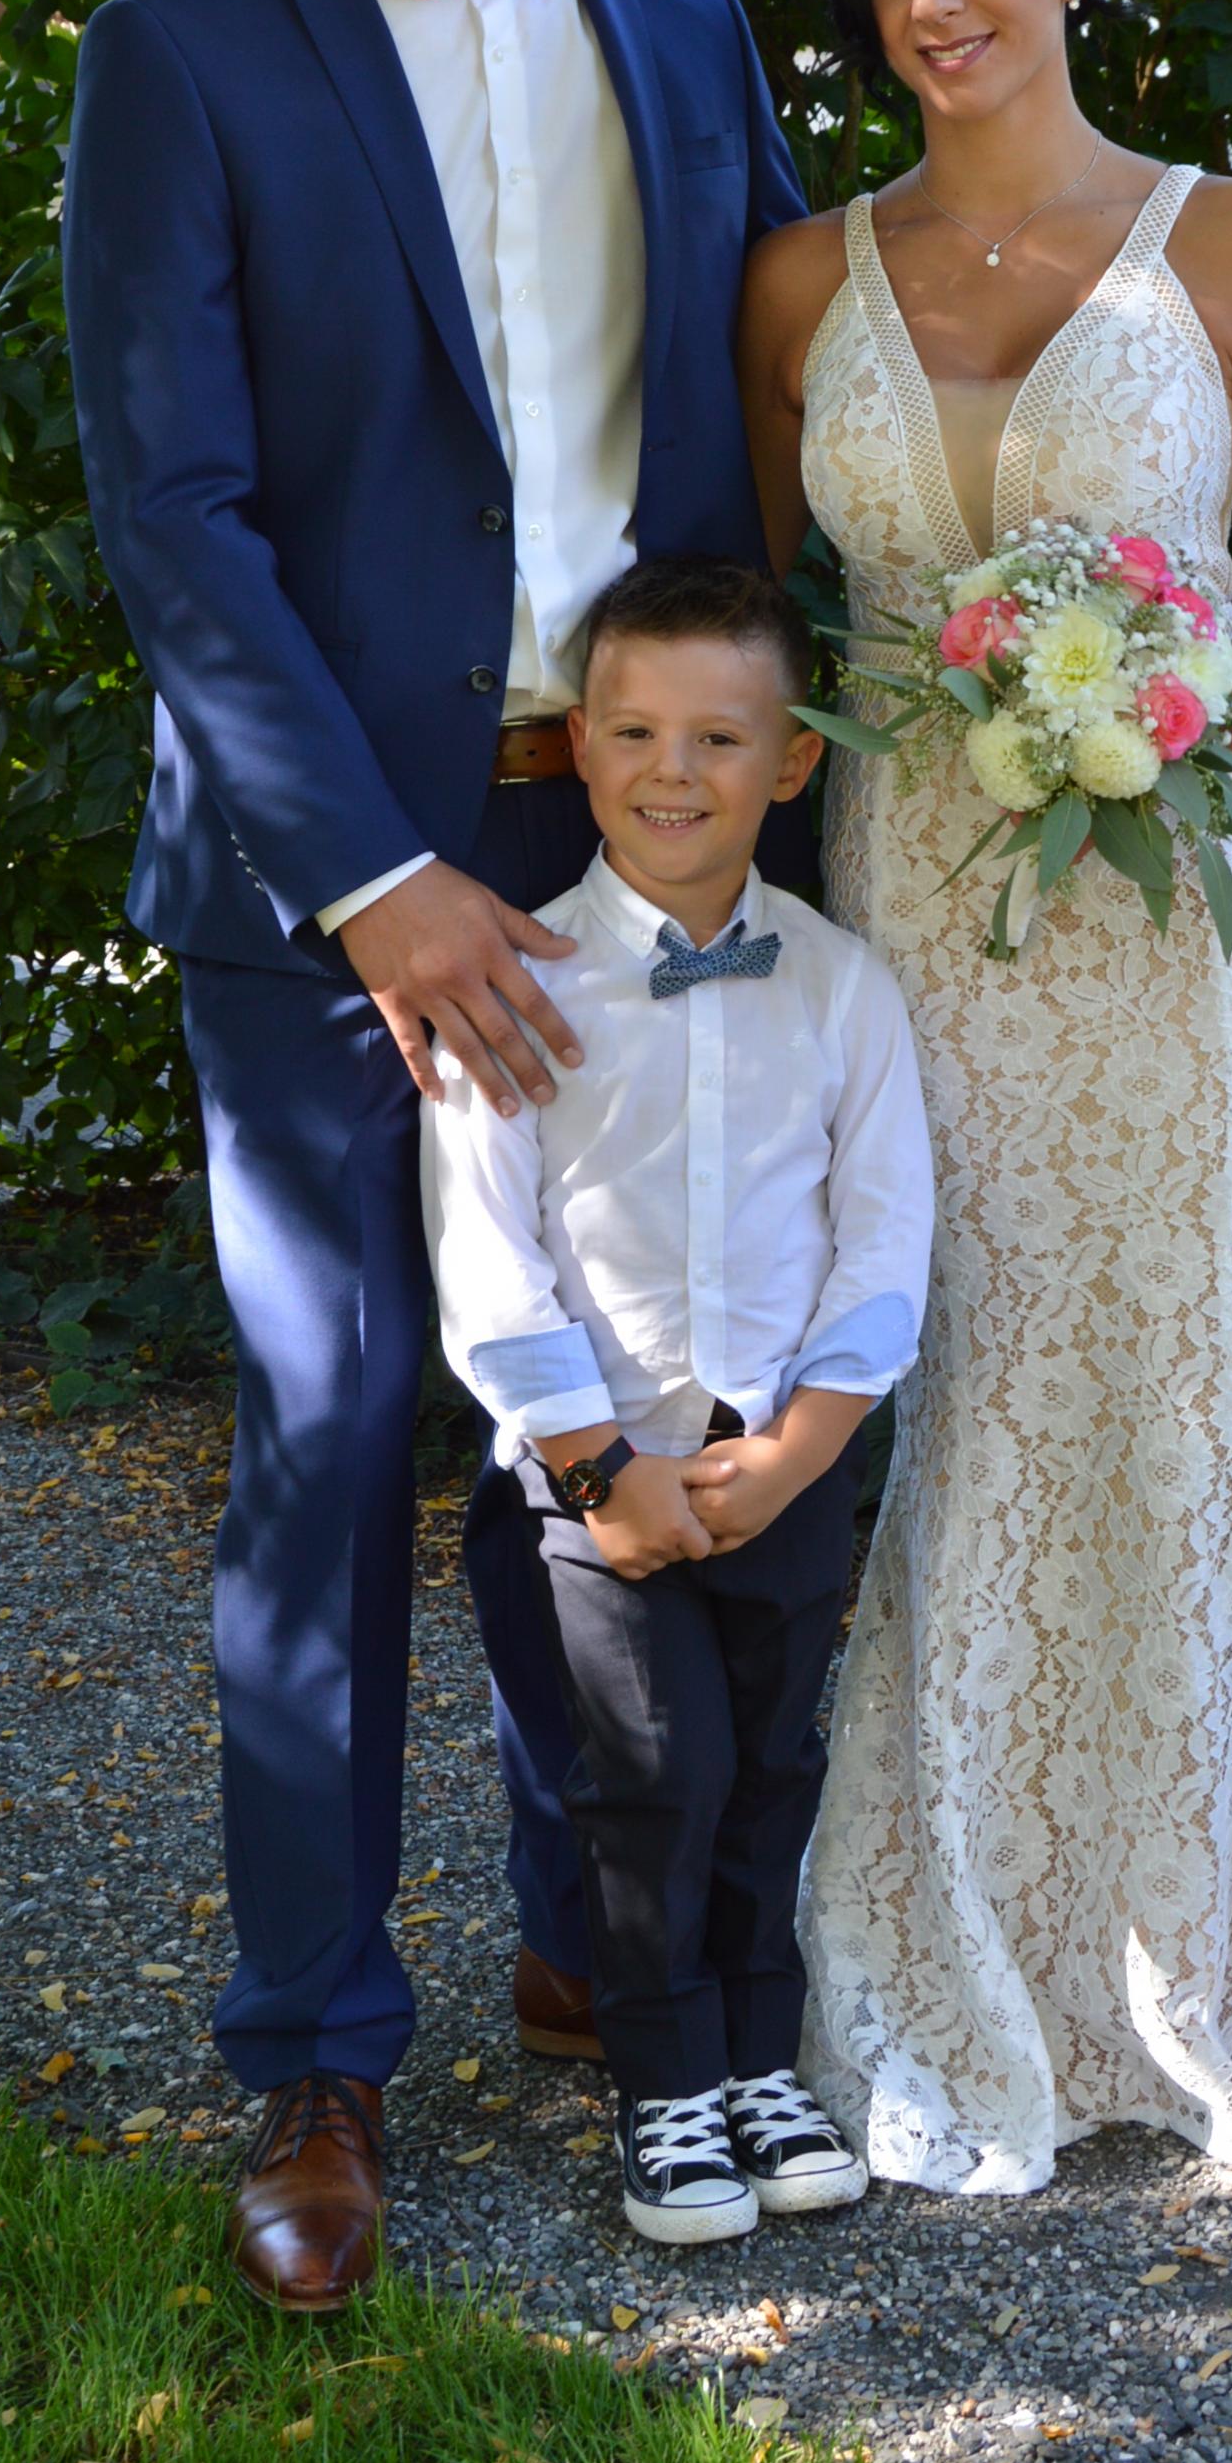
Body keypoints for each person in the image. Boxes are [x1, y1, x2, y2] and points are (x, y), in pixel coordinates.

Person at [63, 0, 806, 2314]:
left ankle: (593, 1936)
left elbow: (759, 447)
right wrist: (373, 877)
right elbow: (176, 515)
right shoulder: (186, 57)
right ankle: (312, 2051)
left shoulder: (693, 33)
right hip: (330, 882)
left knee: (590, 1418)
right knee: (339, 1425)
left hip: (623, 849)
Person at [738, 0, 1232, 2193]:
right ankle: (981, 1928)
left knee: (1190, 1361)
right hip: (918, 918)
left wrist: (1195, 715)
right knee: (971, 1368)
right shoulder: (799, 283)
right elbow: (775, 617)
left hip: (1194, 921)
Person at [423, 556, 932, 2242]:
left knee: (773, 1768)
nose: (673, 771)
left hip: (782, 1464)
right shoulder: (513, 983)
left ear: (794, 762)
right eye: (634, 730)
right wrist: (597, 1470)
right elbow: (487, 1262)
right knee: (653, 1777)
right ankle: (662, 2088)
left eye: (721, 737)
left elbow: (884, 1243)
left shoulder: (845, 987)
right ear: (577, 743)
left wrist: (801, 1452)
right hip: (599, 1481)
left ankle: (761, 2063)